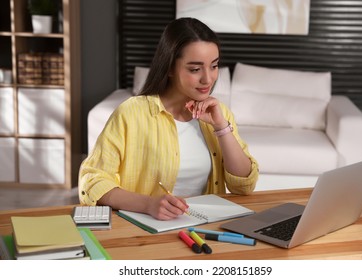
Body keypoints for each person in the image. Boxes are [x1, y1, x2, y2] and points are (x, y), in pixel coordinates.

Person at [78, 17, 259, 221]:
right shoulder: (131, 113)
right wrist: (148, 204)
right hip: (148, 230)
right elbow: (92, 181)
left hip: (207, 227)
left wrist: (221, 127)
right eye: (195, 69)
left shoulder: (220, 113)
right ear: (170, 67)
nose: (208, 79)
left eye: (214, 66)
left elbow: (244, 185)